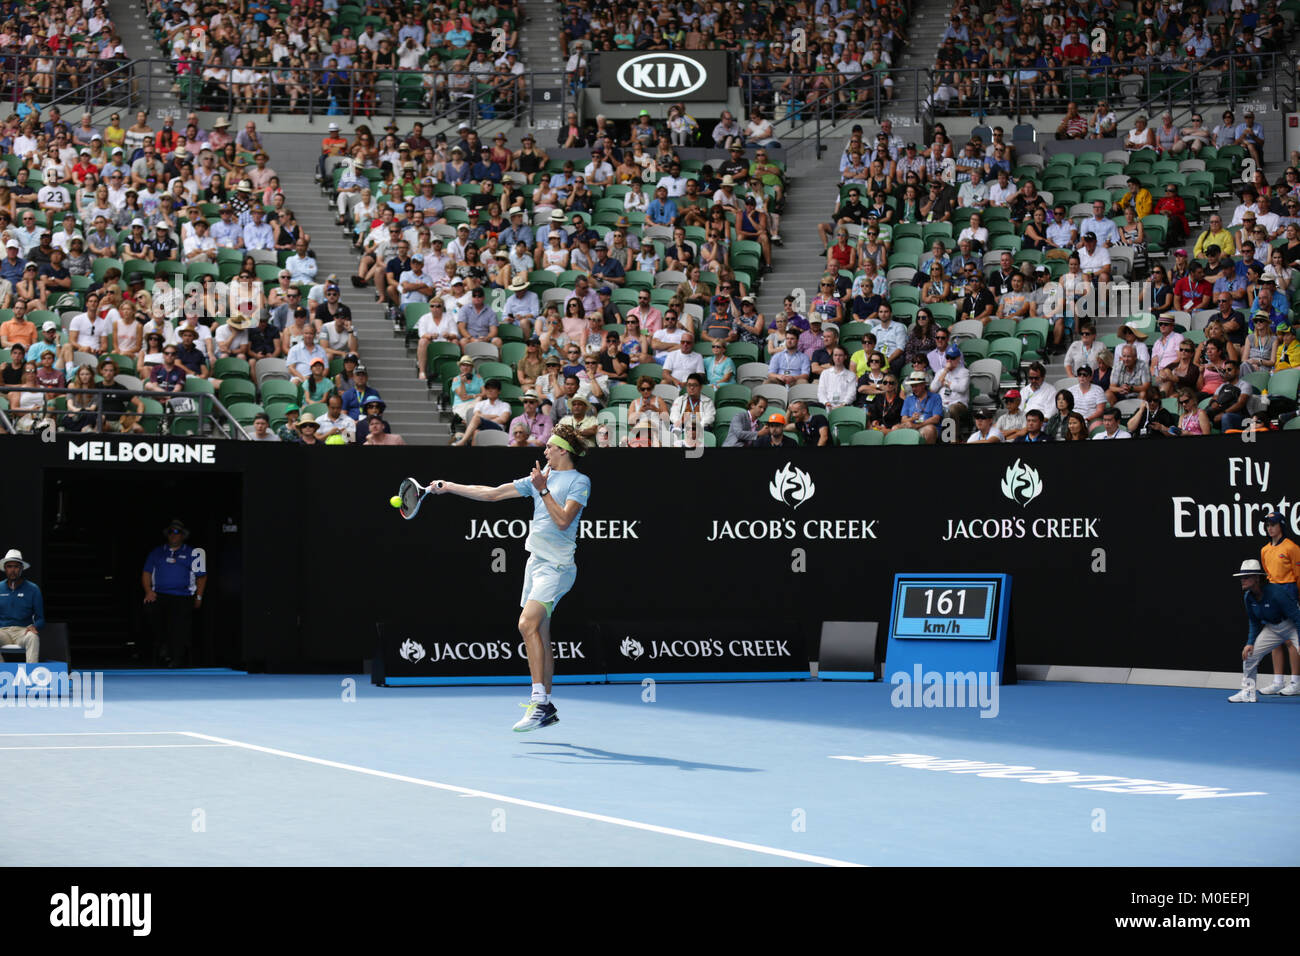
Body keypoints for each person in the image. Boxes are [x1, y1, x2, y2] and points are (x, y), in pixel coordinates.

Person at [427, 426, 591, 732]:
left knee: (526, 624)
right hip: (535, 564)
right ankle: (547, 707)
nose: (544, 452)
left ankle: (539, 701)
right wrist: (450, 486)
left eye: (549, 448)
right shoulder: (540, 478)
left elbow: (563, 520)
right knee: (541, 632)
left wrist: (542, 489)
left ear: (563, 451)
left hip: (557, 567)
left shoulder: (579, 481)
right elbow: (492, 493)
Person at [1229, 559, 1300, 702]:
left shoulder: (1277, 593)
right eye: (1241, 577)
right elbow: (1254, 622)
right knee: (1249, 655)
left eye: (1246, 577)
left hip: (1292, 625)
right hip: (1272, 629)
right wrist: (1250, 642)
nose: (1242, 580)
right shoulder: (1248, 597)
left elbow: (1297, 617)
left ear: (1257, 578)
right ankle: (1248, 693)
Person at [141, 520, 207, 667]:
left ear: (183, 535)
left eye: (177, 532)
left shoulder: (192, 553)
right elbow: (146, 572)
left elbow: (201, 576)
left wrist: (199, 596)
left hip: (183, 596)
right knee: (150, 611)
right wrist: (148, 591)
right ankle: (162, 644)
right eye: (171, 532)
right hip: (160, 594)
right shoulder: (157, 552)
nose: (174, 535)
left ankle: (176, 658)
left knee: (179, 624)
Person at [1257, 513, 1300, 695]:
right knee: (1276, 640)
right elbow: (1268, 574)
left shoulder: (1292, 547)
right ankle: (1277, 681)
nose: (1270, 528)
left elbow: (1299, 575)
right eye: (1267, 525)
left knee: (1291, 640)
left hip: (1289, 593)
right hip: (1273, 595)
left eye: (1273, 524)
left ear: (1281, 525)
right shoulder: (1265, 550)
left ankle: (1296, 682)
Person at [0, 548, 43, 663]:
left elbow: (41, 618)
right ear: (5, 568)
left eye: (16, 567)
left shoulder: (33, 589)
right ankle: (2, 673)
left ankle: (31, 675)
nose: (12, 570)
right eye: (9, 566)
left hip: (23, 631)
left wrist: (35, 626)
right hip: (3, 631)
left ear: (22, 569)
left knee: (33, 637)